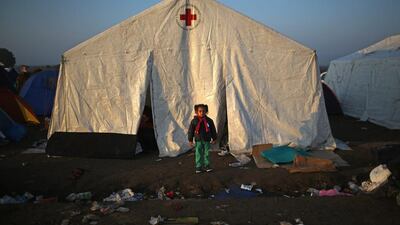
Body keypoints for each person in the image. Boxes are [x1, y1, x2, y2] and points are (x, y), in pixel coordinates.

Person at [188, 104, 217, 173]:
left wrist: (214, 138)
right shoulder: (194, 121)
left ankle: (207, 165)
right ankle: (198, 166)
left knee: (207, 153)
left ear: (206, 111)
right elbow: (191, 131)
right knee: (198, 153)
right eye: (200, 111)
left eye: (203, 111)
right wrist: (190, 140)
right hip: (198, 141)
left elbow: (213, 130)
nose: (202, 112)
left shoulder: (209, 121)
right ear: (196, 112)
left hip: (207, 140)